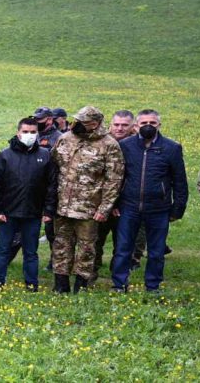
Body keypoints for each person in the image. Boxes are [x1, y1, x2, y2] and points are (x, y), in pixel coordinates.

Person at [111, 110, 187, 293]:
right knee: (123, 248)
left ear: (159, 125)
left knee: (156, 251)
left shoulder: (172, 148)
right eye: (144, 123)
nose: (148, 126)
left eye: (152, 123)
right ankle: (119, 284)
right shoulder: (125, 146)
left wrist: (178, 209)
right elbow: (116, 177)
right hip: (129, 207)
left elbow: (179, 181)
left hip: (159, 209)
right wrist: (113, 203)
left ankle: (153, 286)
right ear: (136, 126)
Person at [50, 105, 123, 293]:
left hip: (89, 208)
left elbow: (114, 179)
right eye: (77, 120)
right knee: (61, 245)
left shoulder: (109, 145)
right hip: (62, 205)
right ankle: (60, 286)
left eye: (83, 122)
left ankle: (81, 286)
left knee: (86, 249)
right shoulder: (65, 138)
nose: (78, 124)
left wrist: (104, 208)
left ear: (95, 123)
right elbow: (53, 166)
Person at [0, 117, 57, 291]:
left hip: (33, 213)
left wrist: (48, 210)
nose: (29, 135)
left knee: (31, 252)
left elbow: (52, 185)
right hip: (8, 213)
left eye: (33, 132)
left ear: (38, 133)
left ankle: (32, 285)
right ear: (18, 133)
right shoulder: (5, 155)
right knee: (2, 250)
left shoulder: (45, 155)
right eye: (25, 132)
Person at [92, 109, 139, 282]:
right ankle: (91, 274)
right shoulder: (101, 142)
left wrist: (117, 203)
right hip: (100, 202)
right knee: (95, 241)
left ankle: (118, 278)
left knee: (123, 244)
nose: (120, 128)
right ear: (110, 125)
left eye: (124, 125)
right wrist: (107, 204)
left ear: (133, 126)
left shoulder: (138, 146)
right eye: (116, 124)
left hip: (126, 204)